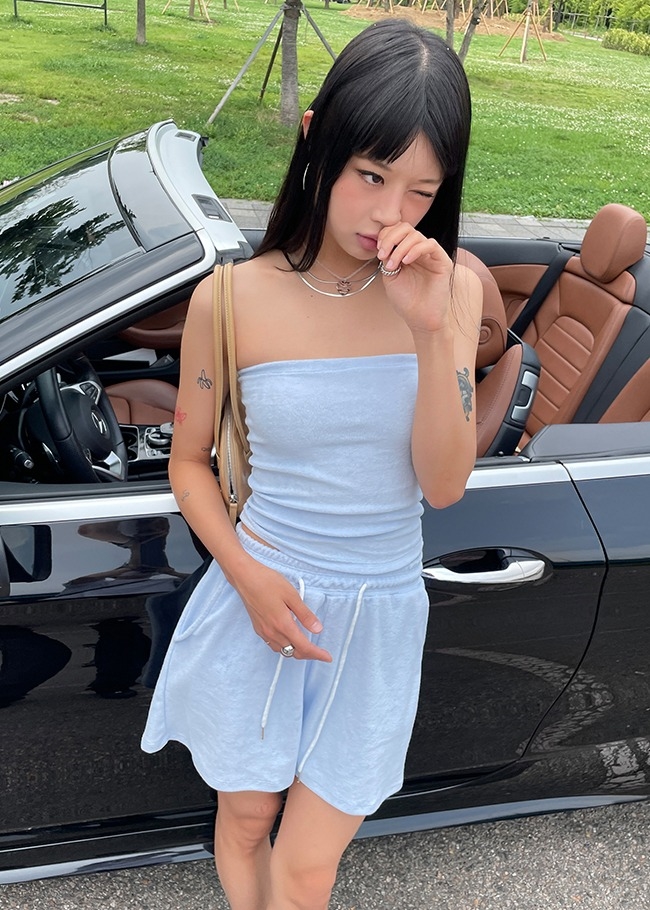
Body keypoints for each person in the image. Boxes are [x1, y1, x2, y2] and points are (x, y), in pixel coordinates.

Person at [141, 17, 481, 910]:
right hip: (258, 591)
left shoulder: (453, 287)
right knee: (247, 818)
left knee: (304, 868)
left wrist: (428, 330)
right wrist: (248, 578)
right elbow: (188, 464)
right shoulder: (230, 297)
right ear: (315, 140)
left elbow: (444, 485)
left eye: (420, 190)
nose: (390, 214)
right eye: (371, 175)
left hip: (376, 617)